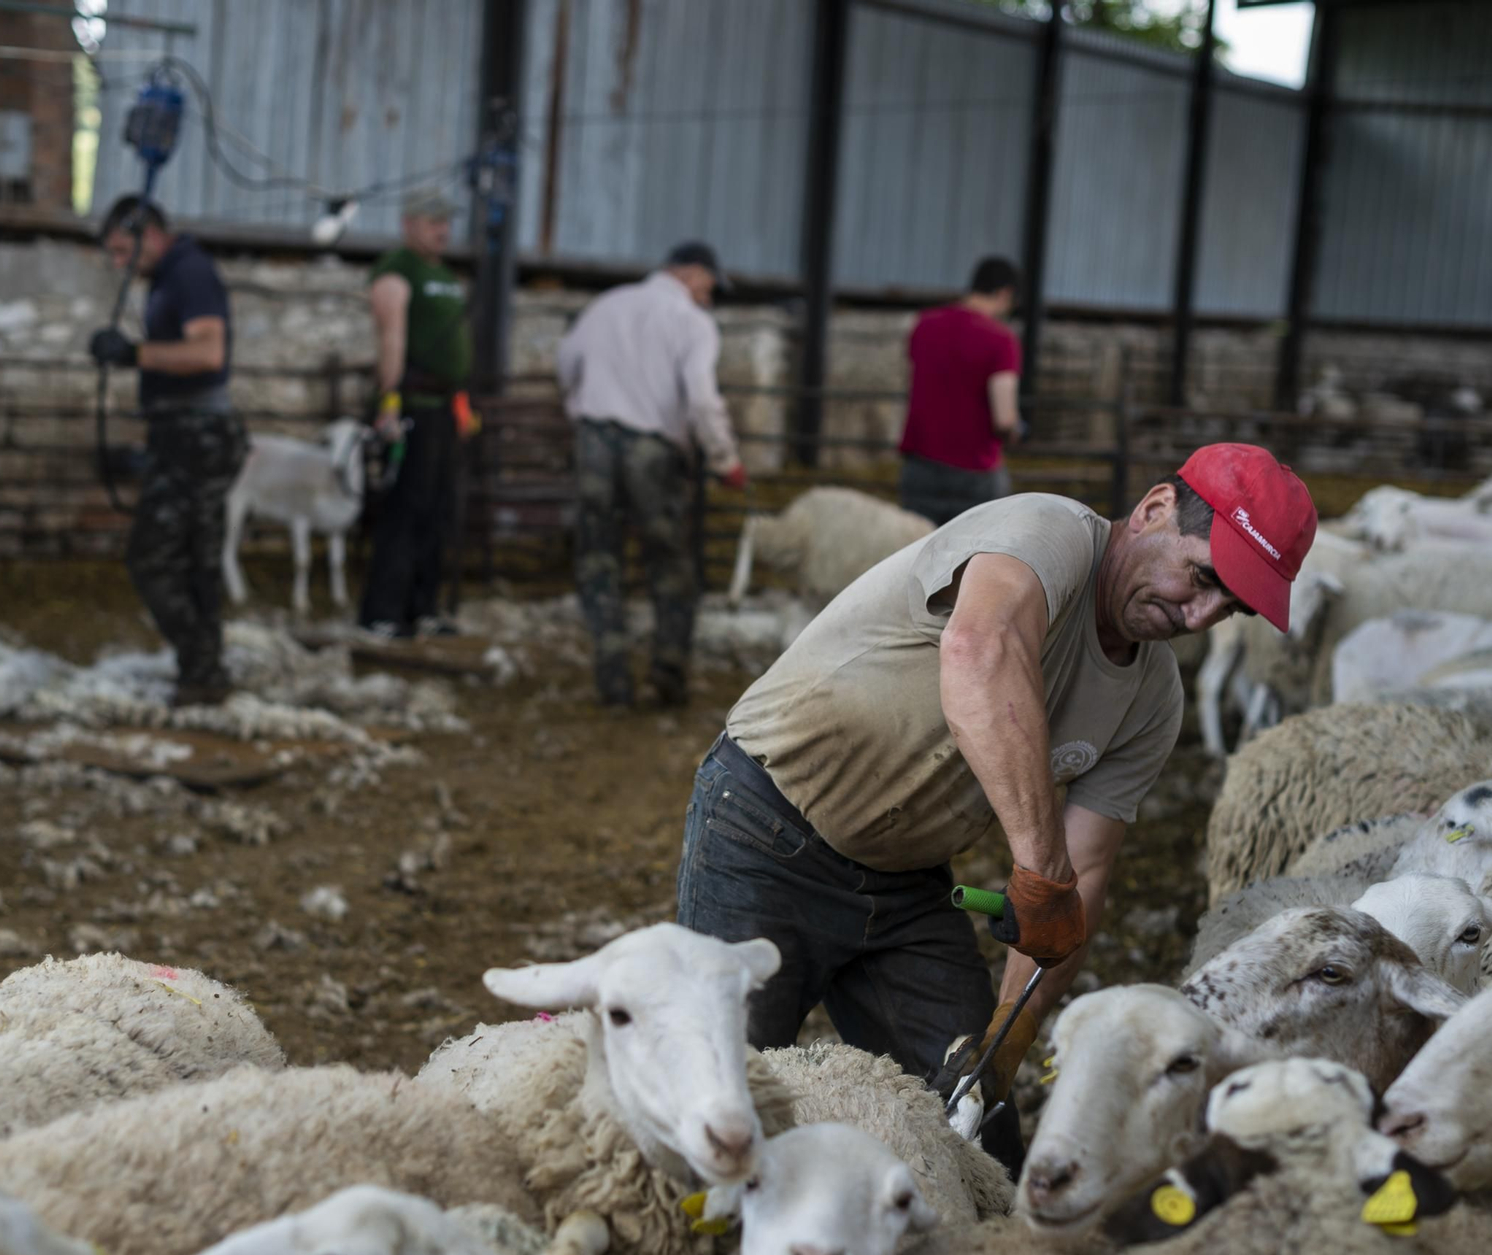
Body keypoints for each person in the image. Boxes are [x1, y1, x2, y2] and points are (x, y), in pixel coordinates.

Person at [674, 442, 1317, 1173]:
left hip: (907, 883)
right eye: (1201, 576)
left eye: (1227, 607)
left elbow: (1083, 873)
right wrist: (1040, 869)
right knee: (721, 1115)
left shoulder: (1152, 699)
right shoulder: (1044, 535)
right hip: (766, 828)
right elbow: (980, 651)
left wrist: (1015, 1027)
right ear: (1154, 509)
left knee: (981, 1141)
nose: (1199, 616)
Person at [555, 241, 748, 708]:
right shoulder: (692, 322)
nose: (709, 296)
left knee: (599, 558)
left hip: (595, 443)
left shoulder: (606, 305)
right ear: (692, 274)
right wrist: (724, 458)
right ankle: (667, 672)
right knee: (669, 560)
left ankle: (613, 679)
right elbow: (700, 397)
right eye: (709, 286)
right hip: (652, 450)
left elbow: (566, 365)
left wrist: (582, 410)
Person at [89, 194, 247, 707]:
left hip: (197, 434)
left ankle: (202, 662)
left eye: (123, 251)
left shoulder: (189, 272)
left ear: (150, 235)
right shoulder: (170, 275)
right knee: (195, 558)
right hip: (183, 432)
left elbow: (208, 351)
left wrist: (133, 354)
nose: (120, 264)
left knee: (153, 557)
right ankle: (203, 673)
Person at [359, 188, 475, 640]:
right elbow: (392, 335)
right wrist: (388, 401)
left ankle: (422, 608)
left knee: (437, 510)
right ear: (408, 224)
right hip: (412, 405)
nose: (442, 230)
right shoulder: (397, 269)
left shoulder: (443, 274)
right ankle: (383, 612)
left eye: (446, 221)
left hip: (444, 407)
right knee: (404, 508)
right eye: (432, 222)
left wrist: (460, 403)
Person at [897, 255, 1022, 527]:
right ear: (1005, 294)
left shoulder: (924, 324)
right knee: (974, 549)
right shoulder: (1001, 340)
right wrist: (1015, 433)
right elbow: (1004, 419)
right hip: (975, 473)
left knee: (918, 547)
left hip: (921, 466)